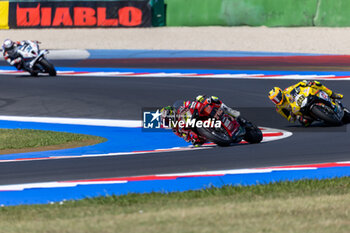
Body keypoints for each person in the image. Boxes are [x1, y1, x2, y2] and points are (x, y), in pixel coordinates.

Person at [160, 95, 244, 146]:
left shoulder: (180, 108)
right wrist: (192, 140)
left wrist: (197, 102)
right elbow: (186, 137)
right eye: (167, 122)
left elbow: (190, 103)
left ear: (172, 112)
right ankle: (218, 133)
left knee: (211, 100)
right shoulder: (176, 130)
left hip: (198, 114)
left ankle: (230, 111)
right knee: (197, 142)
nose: (169, 121)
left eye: (168, 119)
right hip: (196, 130)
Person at [268, 80, 345, 126]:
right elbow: (290, 120)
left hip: (304, 99)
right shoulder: (279, 108)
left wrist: (306, 83)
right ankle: (322, 117)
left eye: (277, 97)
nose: (277, 100)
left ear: (280, 93)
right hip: (300, 112)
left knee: (316, 83)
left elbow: (300, 84)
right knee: (304, 123)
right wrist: (292, 115)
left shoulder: (288, 90)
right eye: (274, 100)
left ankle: (333, 94)